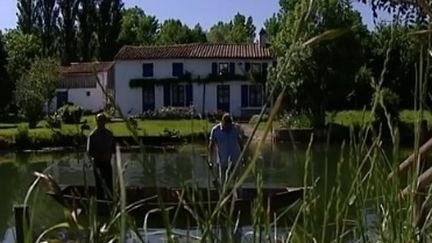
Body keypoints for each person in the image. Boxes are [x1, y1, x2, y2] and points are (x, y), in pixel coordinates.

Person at [208, 113, 245, 187]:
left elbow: (241, 143)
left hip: (235, 160)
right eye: (227, 125)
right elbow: (211, 145)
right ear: (222, 122)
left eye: (230, 124)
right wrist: (210, 160)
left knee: (237, 182)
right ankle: (223, 196)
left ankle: (238, 196)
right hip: (223, 161)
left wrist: (243, 157)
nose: (228, 127)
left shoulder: (236, 128)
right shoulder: (216, 130)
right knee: (223, 183)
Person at [87, 113, 115, 199]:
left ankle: (111, 201)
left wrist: (110, 154)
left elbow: (113, 148)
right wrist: (99, 156)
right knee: (99, 185)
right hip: (98, 163)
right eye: (99, 120)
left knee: (109, 184)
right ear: (97, 121)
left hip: (107, 163)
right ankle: (100, 203)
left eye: (103, 120)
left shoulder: (109, 134)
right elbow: (89, 151)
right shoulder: (92, 136)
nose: (101, 122)